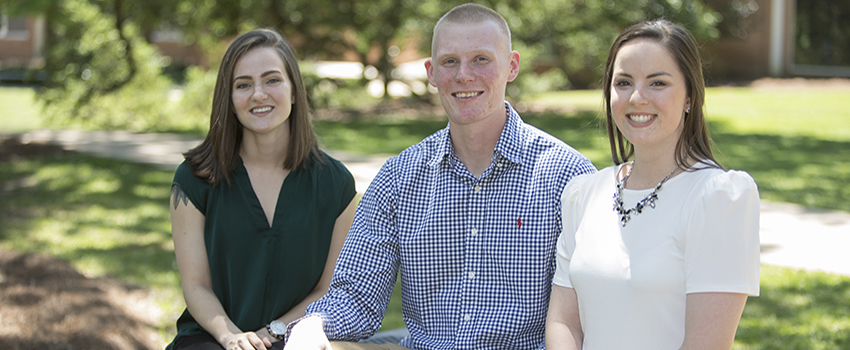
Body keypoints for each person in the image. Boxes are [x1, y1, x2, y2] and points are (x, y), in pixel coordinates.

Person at [283, 4, 596, 350]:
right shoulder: (398, 179)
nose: (464, 75)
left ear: (512, 66)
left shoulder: (568, 177)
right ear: (431, 72)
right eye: (450, 62)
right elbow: (356, 295)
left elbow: (592, 311)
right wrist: (313, 326)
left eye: (481, 59)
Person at [544, 20, 760, 350]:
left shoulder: (718, 198)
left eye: (657, 83)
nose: (638, 97)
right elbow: (564, 323)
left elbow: (707, 344)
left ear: (690, 96)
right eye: (624, 82)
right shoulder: (583, 194)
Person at [167, 28, 357, 350]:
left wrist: (274, 332)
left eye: (272, 80)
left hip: (294, 336)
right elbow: (197, 286)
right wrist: (231, 337)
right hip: (210, 339)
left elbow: (328, 288)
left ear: (294, 91)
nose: (258, 95)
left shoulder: (336, 184)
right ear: (229, 98)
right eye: (243, 85)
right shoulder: (194, 179)